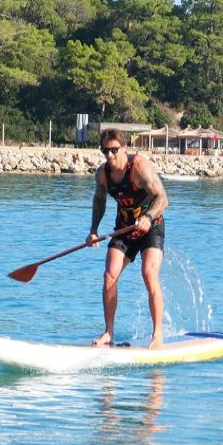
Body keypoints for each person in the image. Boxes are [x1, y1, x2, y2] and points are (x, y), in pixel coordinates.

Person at [88, 129, 169, 349]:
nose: (110, 155)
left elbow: (163, 198)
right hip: (124, 228)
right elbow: (99, 201)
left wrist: (148, 217)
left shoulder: (140, 167)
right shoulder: (102, 174)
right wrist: (93, 230)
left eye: (114, 150)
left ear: (124, 148)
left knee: (149, 273)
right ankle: (108, 333)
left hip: (151, 226)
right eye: (105, 151)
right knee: (109, 275)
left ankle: (157, 335)